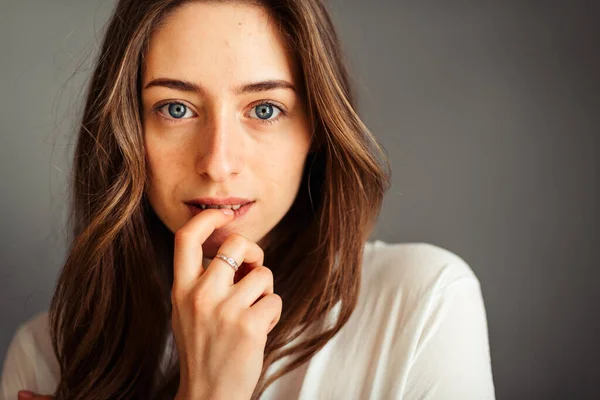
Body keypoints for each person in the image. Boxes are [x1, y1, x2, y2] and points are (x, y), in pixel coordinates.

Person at [1, 0, 496, 399]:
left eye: (264, 108)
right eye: (176, 109)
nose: (217, 163)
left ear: (317, 130)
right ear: (126, 132)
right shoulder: (48, 356)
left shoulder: (421, 304)